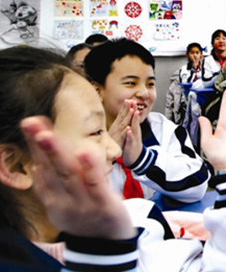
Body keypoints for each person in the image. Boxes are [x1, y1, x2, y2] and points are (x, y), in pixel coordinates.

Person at [0, 47, 226, 272]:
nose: (114, 149)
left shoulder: (139, 222)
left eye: (149, 82)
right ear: (16, 165)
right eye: (95, 133)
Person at [85, 38, 210, 202]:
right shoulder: (75, 137)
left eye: (150, 84)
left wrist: (141, 159)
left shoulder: (163, 129)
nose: (144, 93)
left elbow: (198, 185)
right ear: (97, 90)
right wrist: (105, 156)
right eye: (131, 83)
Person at [166, 42, 208, 124]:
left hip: (201, 103)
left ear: (201, 55)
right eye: (192, 53)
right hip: (185, 104)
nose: (195, 55)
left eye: (197, 53)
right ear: (187, 54)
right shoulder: (183, 70)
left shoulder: (206, 69)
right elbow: (184, 84)